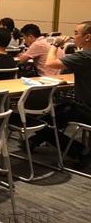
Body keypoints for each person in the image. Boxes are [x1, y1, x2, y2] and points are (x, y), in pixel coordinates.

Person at [28, 21, 91, 167]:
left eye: (76, 33)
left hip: (86, 109)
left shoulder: (84, 56)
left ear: (87, 37)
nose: (73, 37)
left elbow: (50, 63)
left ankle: (81, 151)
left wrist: (55, 45)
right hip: (84, 106)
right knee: (57, 115)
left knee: (43, 122)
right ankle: (32, 141)